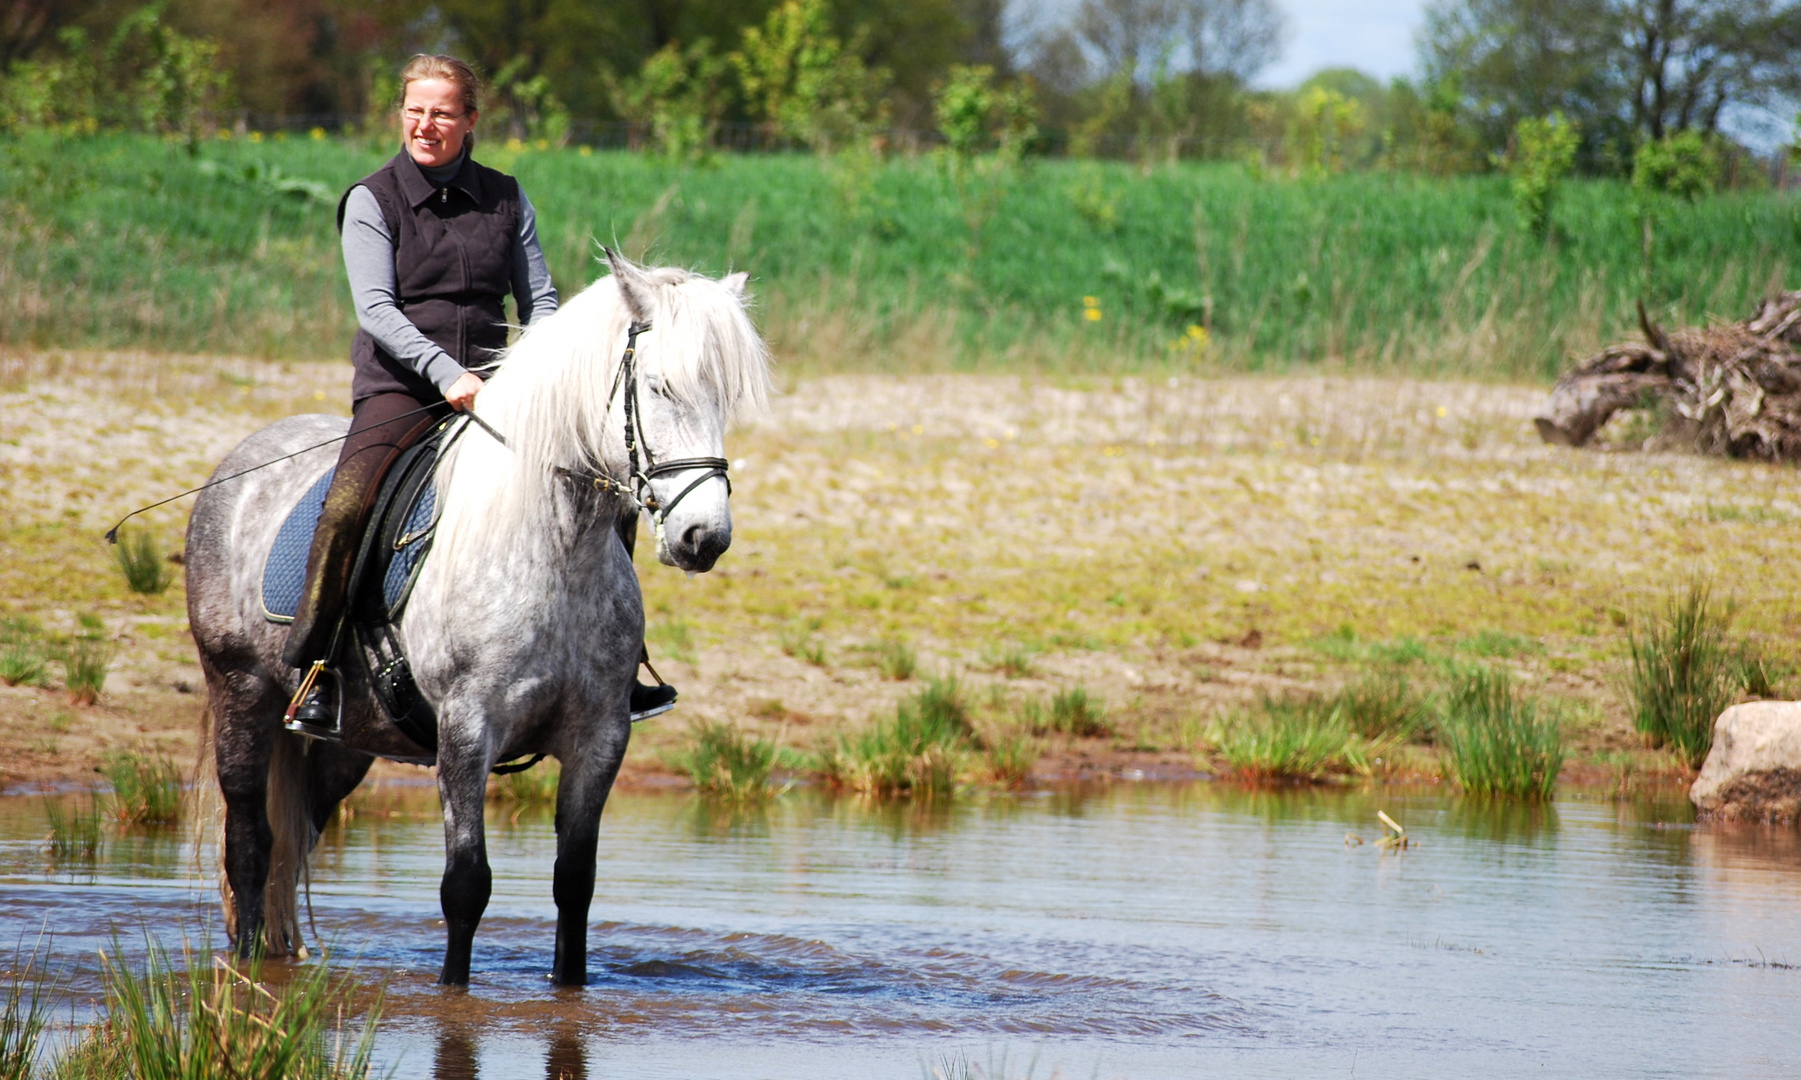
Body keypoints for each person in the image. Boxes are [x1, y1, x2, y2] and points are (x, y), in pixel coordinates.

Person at [283, 54, 676, 738]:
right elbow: (377, 310)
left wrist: (538, 378)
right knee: (347, 502)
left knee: (607, 495)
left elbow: (541, 301)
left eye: (440, 112)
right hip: (403, 389)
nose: (425, 124)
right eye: (414, 110)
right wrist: (446, 375)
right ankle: (316, 669)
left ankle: (618, 665)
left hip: (503, 393)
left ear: (469, 121)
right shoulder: (370, 201)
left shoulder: (506, 197)